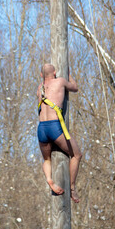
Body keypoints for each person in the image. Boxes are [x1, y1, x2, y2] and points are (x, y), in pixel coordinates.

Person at [37, 63, 82, 203]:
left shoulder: (40, 88)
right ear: (55, 72)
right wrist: (68, 75)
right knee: (76, 155)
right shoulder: (61, 81)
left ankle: (50, 180)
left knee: (47, 159)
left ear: (41, 76)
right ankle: (72, 188)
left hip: (41, 128)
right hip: (54, 126)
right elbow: (75, 88)